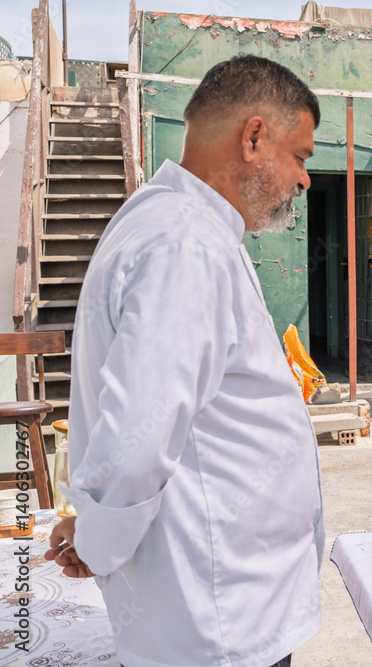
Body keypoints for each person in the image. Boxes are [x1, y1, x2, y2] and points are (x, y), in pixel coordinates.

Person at [43, 55, 324, 666]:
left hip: (226, 602)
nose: (305, 180)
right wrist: (97, 542)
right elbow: (136, 439)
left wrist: (92, 528)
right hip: (217, 620)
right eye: (300, 156)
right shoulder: (185, 243)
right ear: (254, 138)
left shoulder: (183, 226)